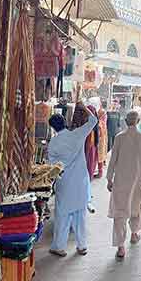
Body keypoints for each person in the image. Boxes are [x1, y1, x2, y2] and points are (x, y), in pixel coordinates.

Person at [46, 106, 98, 257]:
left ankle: (59, 247)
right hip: (81, 181)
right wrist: (83, 107)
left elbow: (51, 167)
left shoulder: (53, 144)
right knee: (80, 215)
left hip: (65, 182)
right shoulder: (77, 134)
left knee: (62, 215)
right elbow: (93, 120)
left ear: (53, 128)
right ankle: (82, 246)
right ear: (65, 122)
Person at [106, 110, 141, 259]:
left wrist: (109, 179)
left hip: (120, 181)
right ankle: (134, 234)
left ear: (125, 121)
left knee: (120, 213)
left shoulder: (119, 137)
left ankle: (120, 247)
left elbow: (113, 160)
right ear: (138, 122)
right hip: (138, 181)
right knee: (136, 208)